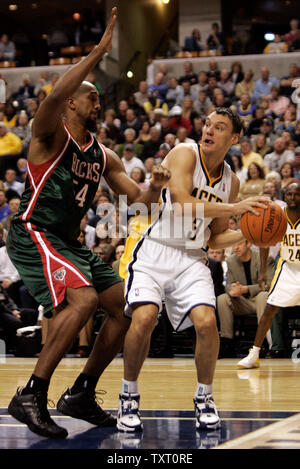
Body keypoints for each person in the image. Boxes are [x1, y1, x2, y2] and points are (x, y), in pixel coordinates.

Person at [6, 8, 171, 440]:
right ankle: (32, 394)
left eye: (100, 98)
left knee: (122, 306)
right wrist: (98, 51)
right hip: (32, 232)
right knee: (82, 303)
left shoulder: (103, 155)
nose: (99, 103)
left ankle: (81, 393)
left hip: (65, 240)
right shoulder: (50, 133)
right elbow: (52, 97)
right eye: (92, 97)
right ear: (73, 102)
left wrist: (155, 185)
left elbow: (137, 199)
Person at [116, 107, 269, 433]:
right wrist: (235, 208)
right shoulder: (184, 153)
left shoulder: (231, 180)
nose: (209, 130)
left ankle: (204, 398)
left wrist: (250, 231)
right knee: (143, 319)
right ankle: (128, 394)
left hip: (191, 259)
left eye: (220, 127)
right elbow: (183, 201)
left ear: (235, 138)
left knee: (206, 321)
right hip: (156, 250)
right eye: (208, 123)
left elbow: (215, 235)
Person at [237, 182, 300, 368]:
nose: (292, 198)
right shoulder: (278, 215)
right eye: (289, 194)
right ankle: (254, 353)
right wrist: (263, 271)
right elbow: (266, 241)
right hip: (288, 267)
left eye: (296, 194)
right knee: (270, 308)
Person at [217, 240, 274, 358]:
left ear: (248, 244)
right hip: (242, 302)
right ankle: (227, 342)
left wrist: (246, 289)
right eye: (233, 245)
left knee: (263, 296)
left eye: (239, 244)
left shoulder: (264, 259)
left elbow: (269, 284)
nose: (235, 248)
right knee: (222, 299)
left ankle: (262, 342)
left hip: (259, 302)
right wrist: (232, 290)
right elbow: (228, 284)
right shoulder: (231, 261)